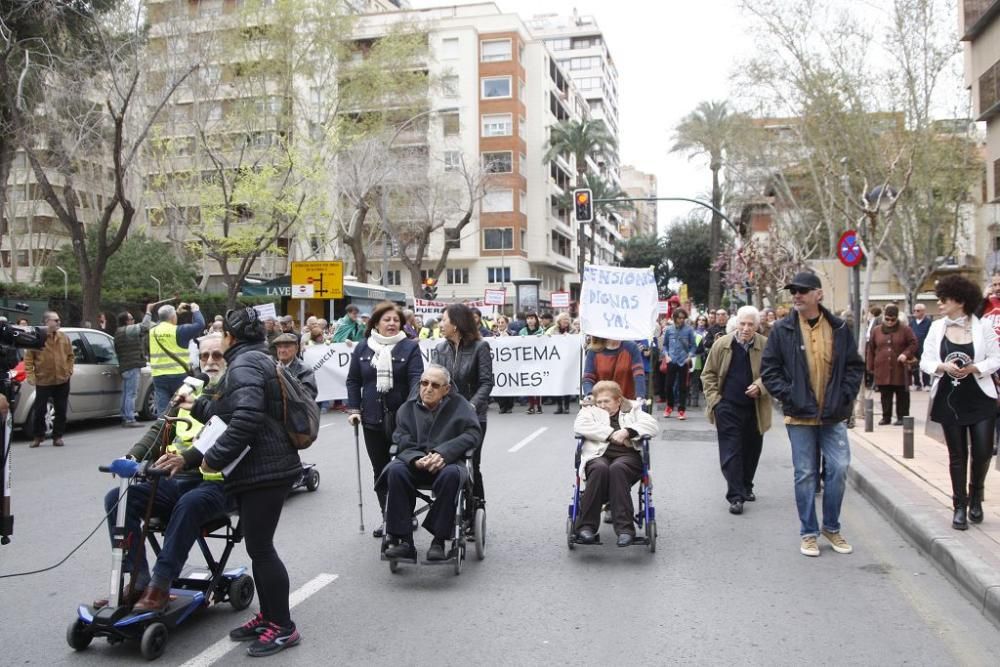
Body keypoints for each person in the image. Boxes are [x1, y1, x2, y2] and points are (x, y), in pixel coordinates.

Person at [173, 308, 303, 658]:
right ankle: (269, 616)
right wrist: (197, 405)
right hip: (263, 467)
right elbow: (229, 409)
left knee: (261, 549)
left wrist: (212, 457)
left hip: (265, 470)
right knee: (258, 548)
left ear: (229, 336)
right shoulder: (254, 360)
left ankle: (283, 627)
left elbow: (245, 418)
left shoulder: (245, 364)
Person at [101, 334, 230, 613]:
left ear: (228, 356)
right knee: (118, 498)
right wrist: (131, 457)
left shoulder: (234, 390)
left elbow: (231, 434)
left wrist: (189, 460)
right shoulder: (189, 386)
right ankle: (138, 581)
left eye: (217, 355)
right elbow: (161, 427)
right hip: (177, 478)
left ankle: (160, 584)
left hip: (218, 483)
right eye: (205, 355)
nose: (209, 361)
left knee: (189, 504)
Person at [761, 271, 864, 558]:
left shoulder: (840, 328)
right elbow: (769, 370)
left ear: (818, 294)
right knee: (805, 474)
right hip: (800, 417)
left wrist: (845, 395)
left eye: (803, 291)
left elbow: (855, 367)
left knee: (839, 468)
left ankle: (831, 527)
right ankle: (809, 532)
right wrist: (790, 394)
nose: (797, 295)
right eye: (793, 291)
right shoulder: (782, 330)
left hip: (833, 416)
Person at [920, 275, 1000, 531]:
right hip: (949, 398)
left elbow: (997, 357)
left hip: (980, 398)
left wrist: (976, 367)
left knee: (983, 451)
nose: (940, 304)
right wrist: (941, 366)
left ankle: (976, 493)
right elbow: (925, 360)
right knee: (957, 455)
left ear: (961, 300)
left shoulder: (983, 326)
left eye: (944, 299)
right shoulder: (936, 327)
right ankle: (960, 506)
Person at [380, 364, 481, 562]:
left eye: (435, 385)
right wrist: (416, 459)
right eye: (424, 383)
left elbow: (473, 434)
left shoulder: (461, 407)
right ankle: (404, 542)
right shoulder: (406, 408)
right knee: (395, 471)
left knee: (452, 475)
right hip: (415, 462)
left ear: (446, 389)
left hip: (447, 463)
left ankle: (438, 541)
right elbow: (400, 437)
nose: (428, 388)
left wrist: (443, 453)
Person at [346, 302, 423, 536]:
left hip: (403, 421)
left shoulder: (409, 348)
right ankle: (387, 517)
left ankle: (407, 516)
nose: (392, 324)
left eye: (396, 320)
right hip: (371, 419)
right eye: (387, 319)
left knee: (402, 469)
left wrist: (411, 411)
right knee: (380, 470)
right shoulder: (362, 348)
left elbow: (416, 380)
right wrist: (354, 409)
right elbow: (353, 381)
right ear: (376, 323)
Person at [701, 306, 772, 515]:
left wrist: (760, 386)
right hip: (727, 407)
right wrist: (715, 401)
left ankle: (746, 485)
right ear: (736, 323)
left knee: (751, 450)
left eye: (751, 324)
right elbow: (708, 375)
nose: (746, 328)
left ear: (757, 326)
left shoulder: (765, 346)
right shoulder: (722, 345)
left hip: (755, 408)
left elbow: (774, 373)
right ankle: (735, 496)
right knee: (731, 451)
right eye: (743, 323)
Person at [572, 380, 659, 546]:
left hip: (627, 456)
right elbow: (580, 425)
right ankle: (586, 528)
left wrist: (628, 431)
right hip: (598, 455)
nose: (602, 405)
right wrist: (611, 433)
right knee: (599, 469)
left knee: (617, 469)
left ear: (618, 400)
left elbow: (652, 425)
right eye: (599, 401)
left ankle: (625, 530)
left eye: (607, 401)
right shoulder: (589, 411)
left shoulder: (632, 409)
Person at [435, 304, 493, 505]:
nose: (440, 324)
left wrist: (472, 405)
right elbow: (433, 380)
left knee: (471, 463)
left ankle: (476, 506)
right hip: (445, 417)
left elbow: (486, 382)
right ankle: (447, 508)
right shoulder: (439, 349)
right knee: (445, 461)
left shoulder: (480, 347)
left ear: (456, 324)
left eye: (444, 320)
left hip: (473, 417)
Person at [24, 311, 74, 447]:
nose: (58, 322)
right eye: (55, 320)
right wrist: (31, 375)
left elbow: (70, 355)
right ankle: (38, 436)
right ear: (46, 322)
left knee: (61, 409)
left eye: (59, 320)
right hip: (43, 379)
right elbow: (28, 359)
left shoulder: (64, 337)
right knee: (40, 410)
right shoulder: (37, 338)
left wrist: (69, 370)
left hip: (62, 379)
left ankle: (57, 436)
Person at [149, 303, 205, 416]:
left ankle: (163, 430)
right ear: (173, 317)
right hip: (178, 375)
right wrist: (195, 309)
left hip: (158, 376)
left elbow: (163, 322)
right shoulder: (180, 331)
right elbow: (200, 324)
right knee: (181, 407)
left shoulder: (152, 331)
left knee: (163, 410)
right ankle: (179, 429)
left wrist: (175, 313)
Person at [866, 304, 917, 426]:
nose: (890, 322)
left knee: (902, 394)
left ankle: (902, 417)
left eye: (893, 320)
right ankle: (886, 417)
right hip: (882, 368)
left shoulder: (905, 330)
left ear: (897, 318)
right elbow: (871, 349)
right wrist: (870, 366)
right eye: (887, 319)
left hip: (900, 368)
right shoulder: (876, 330)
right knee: (885, 394)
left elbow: (913, 344)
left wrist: (906, 354)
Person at [114, 307, 154, 427]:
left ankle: (125, 416)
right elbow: (145, 326)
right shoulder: (128, 330)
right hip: (132, 366)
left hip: (125, 366)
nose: (133, 321)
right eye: (131, 319)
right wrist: (148, 310)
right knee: (131, 393)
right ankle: (130, 419)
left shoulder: (119, 332)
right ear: (126, 321)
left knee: (126, 393)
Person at [582, 337, 646, 402]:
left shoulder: (631, 347)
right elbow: (588, 378)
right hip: (602, 404)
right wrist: (589, 394)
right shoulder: (593, 351)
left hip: (627, 403)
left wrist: (640, 395)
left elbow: (638, 373)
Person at [661, 308, 696, 420]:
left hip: (683, 361)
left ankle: (681, 410)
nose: (681, 320)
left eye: (683, 318)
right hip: (671, 360)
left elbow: (693, 346)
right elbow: (665, 345)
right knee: (668, 386)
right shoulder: (669, 330)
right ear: (674, 317)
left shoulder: (689, 330)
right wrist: (666, 356)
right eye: (679, 317)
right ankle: (669, 406)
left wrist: (689, 356)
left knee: (682, 387)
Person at [271, 333, 318, 399]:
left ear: (296, 349)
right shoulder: (272, 367)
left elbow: (308, 395)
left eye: (286, 346)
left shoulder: (304, 369)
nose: (282, 350)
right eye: (279, 347)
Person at [547, 312, 576, 414]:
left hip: (568, 362)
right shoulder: (552, 330)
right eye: (564, 319)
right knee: (558, 384)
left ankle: (566, 406)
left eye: (567, 319)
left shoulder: (573, 331)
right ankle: (559, 406)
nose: (566, 321)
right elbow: (546, 339)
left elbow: (576, 342)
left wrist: (568, 338)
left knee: (566, 384)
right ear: (559, 321)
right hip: (556, 362)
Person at [519, 312, 545, 414]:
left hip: (537, 361)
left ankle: (538, 405)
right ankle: (531, 405)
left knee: (537, 383)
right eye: (528, 318)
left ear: (536, 320)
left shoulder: (541, 331)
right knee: (529, 383)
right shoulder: (522, 332)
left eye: (532, 318)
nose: (530, 320)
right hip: (527, 361)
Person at [493, 314, 515, 415]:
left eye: (503, 322)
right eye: (499, 322)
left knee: (509, 385)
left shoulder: (513, 334)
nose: (501, 324)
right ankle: (502, 405)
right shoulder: (493, 335)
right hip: (498, 365)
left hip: (509, 364)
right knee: (498, 384)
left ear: (507, 323)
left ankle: (509, 406)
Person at [909, 303, 932, 390]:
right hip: (914, 347)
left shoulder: (928, 322)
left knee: (925, 365)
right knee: (914, 365)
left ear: (923, 312)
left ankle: (926, 384)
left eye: (918, 311)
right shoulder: (912, 322)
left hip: (924, 347)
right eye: (914, 310)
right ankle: (917, 383)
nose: (915, 312)